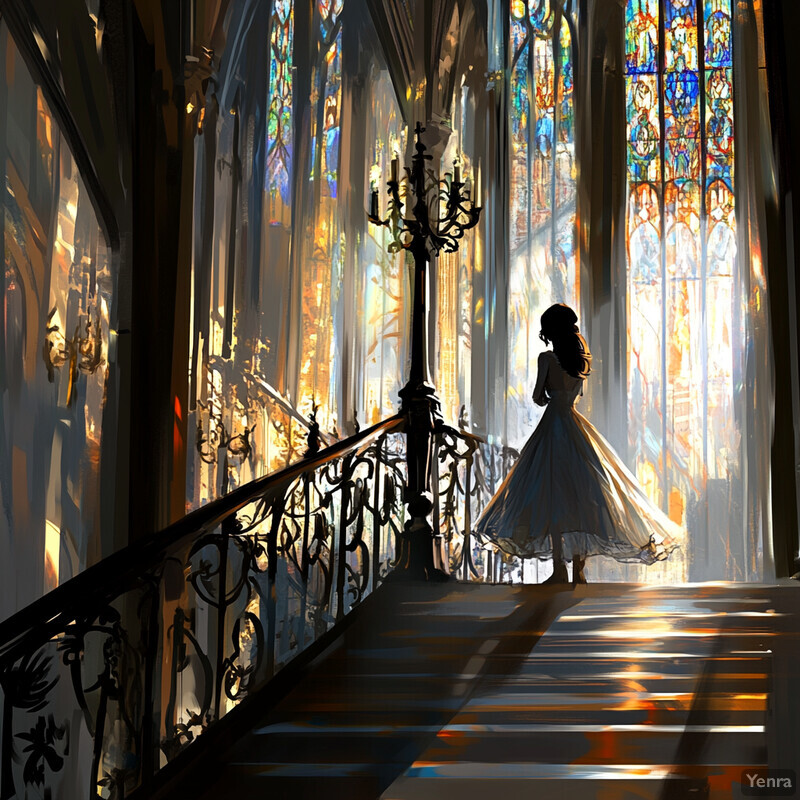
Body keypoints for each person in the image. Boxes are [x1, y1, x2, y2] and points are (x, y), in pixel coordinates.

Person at [475, 303, 680, 585]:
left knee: (552, 497)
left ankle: (559, 569)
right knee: (581, 496)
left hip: (553, 426)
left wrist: (546, 395)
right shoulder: (580, 361)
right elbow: (576, 395)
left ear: (551, 331)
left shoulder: (546, 359)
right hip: (574, 424)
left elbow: (538, 396)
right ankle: (578, 570)